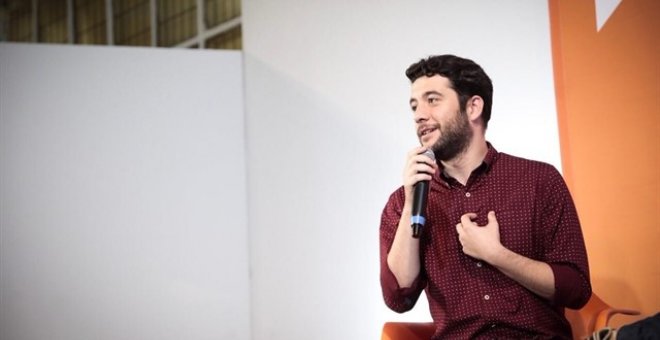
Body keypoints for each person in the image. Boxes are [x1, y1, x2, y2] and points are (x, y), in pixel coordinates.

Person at [379, 54, 592, 339]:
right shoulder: (403, 202)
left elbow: (576, 289)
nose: (419, 115)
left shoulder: (539, 180)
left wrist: (498, 255)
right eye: (414, 105)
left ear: (473, 107)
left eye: (432, 100)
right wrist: (410, 203)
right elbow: (398, 298)